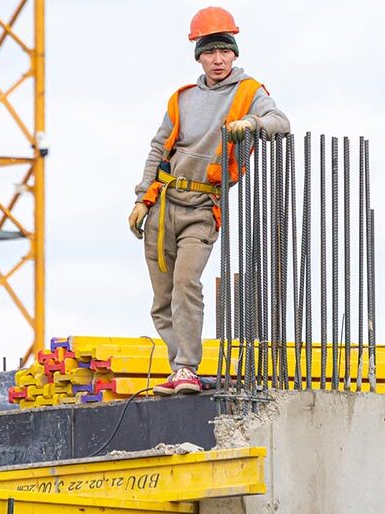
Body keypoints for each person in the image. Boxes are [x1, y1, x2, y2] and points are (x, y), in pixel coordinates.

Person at [129, 6, 290, 396]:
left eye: (225, 52)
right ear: (198, 56)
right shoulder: (181, 99)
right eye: (209, 52)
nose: (218, 60)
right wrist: (141, 198)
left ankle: (186, 368)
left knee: (187, 283)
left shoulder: (249, 92)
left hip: (202, 208)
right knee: (162, 298)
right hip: (163, 203)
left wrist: (253, 124)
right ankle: (177, 367)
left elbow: (281, 124)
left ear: (234, 54)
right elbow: (158, 148)